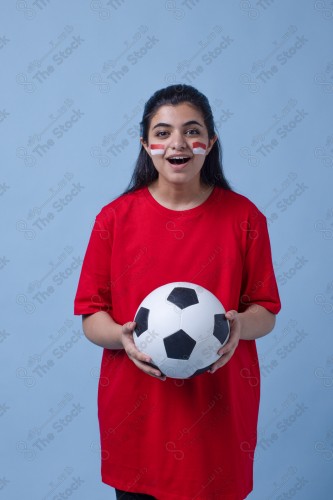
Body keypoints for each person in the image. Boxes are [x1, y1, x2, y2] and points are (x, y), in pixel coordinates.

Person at [74, 84, 281, 500]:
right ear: (145, 144)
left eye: (192, 130)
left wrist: (239, 324)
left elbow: (266, 311)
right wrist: (122, 338)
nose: (178, 143)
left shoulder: (244, 217)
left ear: (211, 143)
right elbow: (91, 315)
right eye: (163, 132)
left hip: (217, 413)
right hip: (139, 416)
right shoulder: (114, 219)